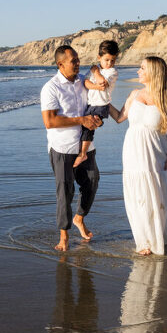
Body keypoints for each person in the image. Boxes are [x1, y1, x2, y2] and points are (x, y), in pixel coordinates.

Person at [110, 56, 167, 256]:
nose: (138, 71)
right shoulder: (134, 94)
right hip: (133, 153)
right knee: (138, 196)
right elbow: (119, 118)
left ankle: (157, 237)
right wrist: (103, 102)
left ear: (154, 73)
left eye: (142, 68)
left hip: (156, 154)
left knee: (156, 196)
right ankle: (144, 242)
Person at [41, 45, 105, 251]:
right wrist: (82, 120)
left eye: (78, 59)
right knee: (65, 192)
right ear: (60, 65)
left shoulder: (82, 81)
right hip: (62, 148)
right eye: (73, 61)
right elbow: (49, 121)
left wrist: (96, 120)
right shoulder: (51, 88)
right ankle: (64, 236)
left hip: (85, 146)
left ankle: (79, 218)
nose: (78, 63)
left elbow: (96, 100)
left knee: (92, 182)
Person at [74, 40, 120, 167]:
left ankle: (83, 154)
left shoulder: (112, 72)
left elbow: (102, 83)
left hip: (101, 105)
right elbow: (86, 83)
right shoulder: (95, 71)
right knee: (85, 126)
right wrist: (95, 86)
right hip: (91, 104)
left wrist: (96, 72)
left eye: (113, 60)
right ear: (99, 58)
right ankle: (82, 151)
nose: (109, 63)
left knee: (89, 126)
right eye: (106, 60)